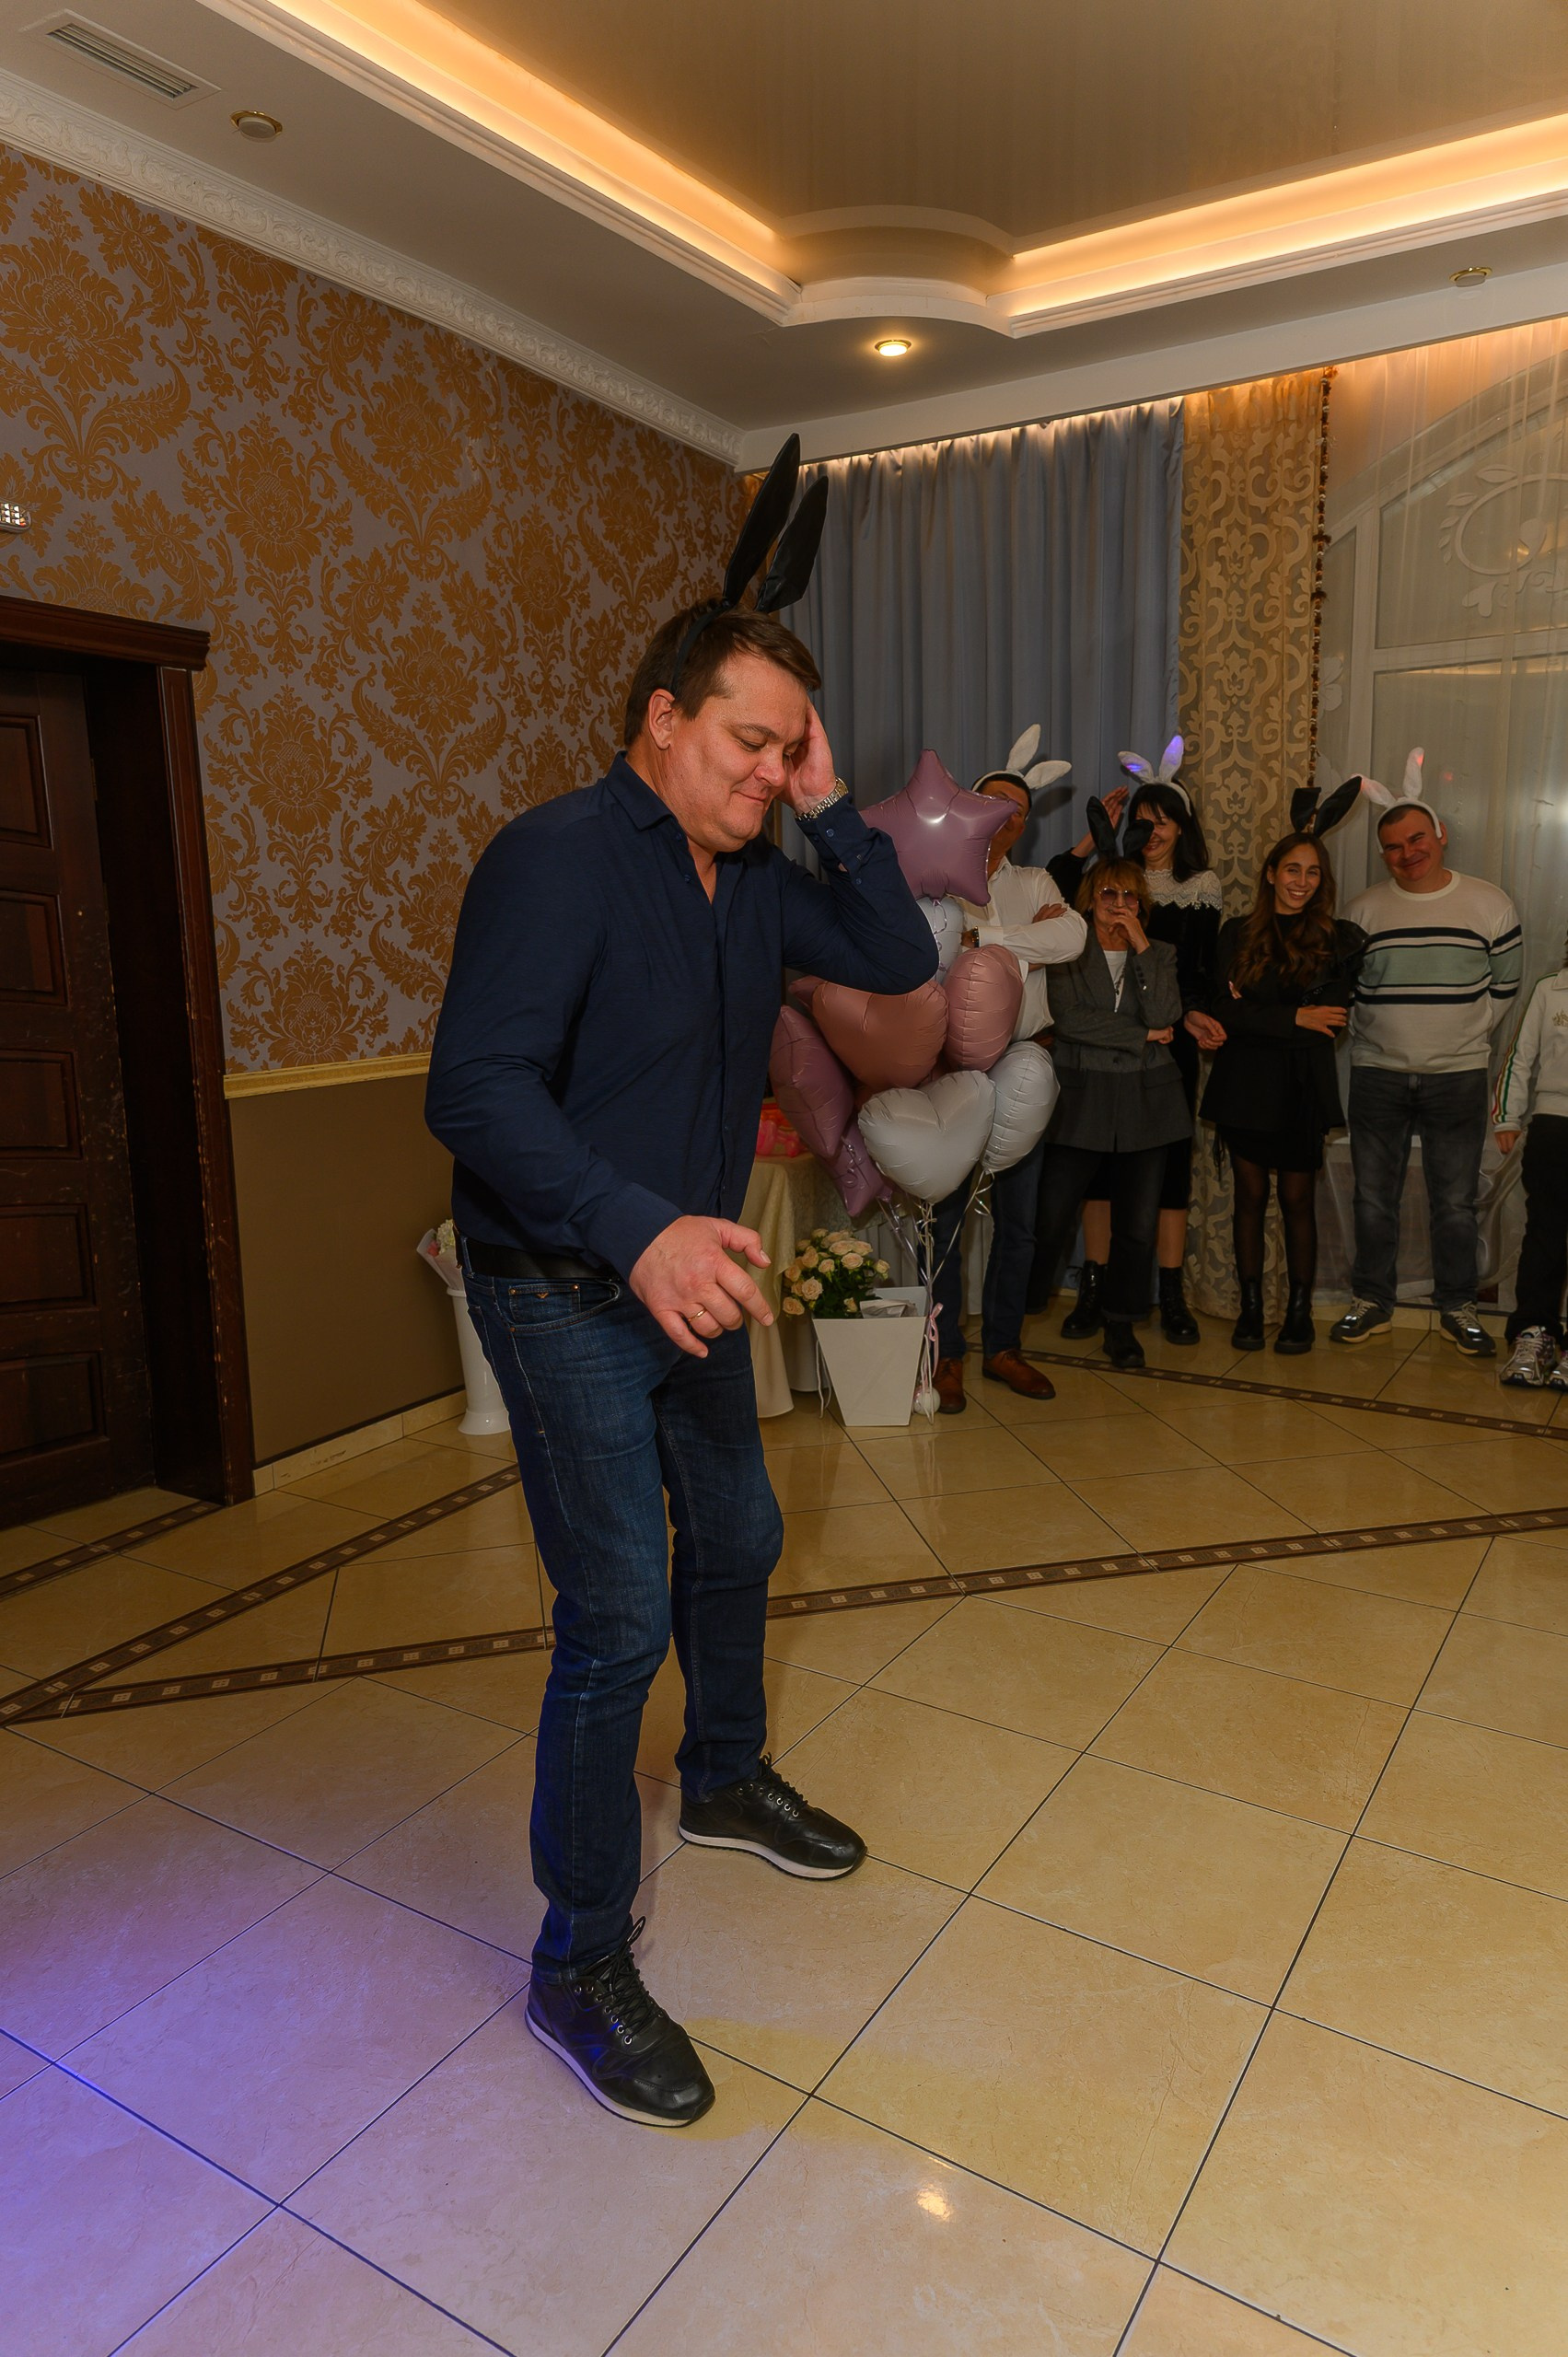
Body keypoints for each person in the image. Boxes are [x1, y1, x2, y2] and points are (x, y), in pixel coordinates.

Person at [426, 452, 937, 2131]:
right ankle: (576, 1961)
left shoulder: (764, 878)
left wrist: (832, 808)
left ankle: (718, 1777)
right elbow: (473, 1091)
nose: (769, 772)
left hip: (684, 1276)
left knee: (739, 1535)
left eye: (789, 749)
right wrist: (636, 1228)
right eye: (748, 742)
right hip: (565, 1284)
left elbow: (900, 964)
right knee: (614, 1620)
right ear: (660, 717)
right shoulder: (555, 858)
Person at [1332, 775, 1522, 1354]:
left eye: (1417, 839)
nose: (1407, 853)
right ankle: (1372, 1301)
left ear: (1440, 835)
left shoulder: (1490, 903)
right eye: (1393, 846)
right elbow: (1347, 994)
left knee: (1455, 1201)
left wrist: (1460, 1035)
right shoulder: (1361, 911)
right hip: (1377, 1074)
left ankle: (1457, 1307)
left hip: (1458, 1076)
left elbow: (1505, 987)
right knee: (1373, 1198)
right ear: (1382, 854)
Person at [927, 758, 1086, 1411]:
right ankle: (946, 1354)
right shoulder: (938, 879)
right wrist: (1025, 943)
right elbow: (935, 955)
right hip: (951, 1065)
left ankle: (1002, 1348)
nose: (1007, 815)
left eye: (1019, 810)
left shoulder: (1035, 880)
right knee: (945, 1219)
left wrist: (985, 937)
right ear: (971, 807)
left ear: (1023, 825)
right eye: (996, 802)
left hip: (1026, 1062)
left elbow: (1071, 935)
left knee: (1019, 1221)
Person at [1045, 750, 1222, 1343]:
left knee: (1161, 1178)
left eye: (1162, 820)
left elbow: (1196, 973)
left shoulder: (1197, 889)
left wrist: (1189, 1013)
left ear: (1182, 827)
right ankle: (1094, 1286)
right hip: (1102, 1053)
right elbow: (1060, 886)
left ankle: (1165, 1294)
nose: (1153, 830)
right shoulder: (1104, 884)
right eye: (1142, 821)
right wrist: (1092, 843)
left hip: (1167, 1045)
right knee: (1095, 1177)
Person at [1201, 827, 1365, 1353]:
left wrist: (1254, 1013)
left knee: (1297, 1199)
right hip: (1245, 1085)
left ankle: (1299, 1312)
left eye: (1313, 872)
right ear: (1271, 873)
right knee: (1248, 1197)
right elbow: (1223, 1009)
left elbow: (1329, 1022)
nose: (1302, 881)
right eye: (1293, 869)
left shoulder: (1339, 939)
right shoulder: (1236, 934)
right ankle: (1250, 1309)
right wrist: (1294, 1015)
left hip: (1302, 1085)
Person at [1031, 847, 1191, 1371]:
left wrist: (1141, 945)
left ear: (1142, 904)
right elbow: (1070, 1020)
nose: (1119, 903)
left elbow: (1167, 1013)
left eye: (1130, 896)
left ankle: (1121, 1324)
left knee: (1138, 1227)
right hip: (1081, 1098)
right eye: (1108, 892)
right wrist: (1142, 1034)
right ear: (1089, 899)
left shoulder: (1159, 952)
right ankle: (1023, 1304)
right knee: (1052, 1214)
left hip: (1148, 1100)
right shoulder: (1069, 948)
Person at [1493, 941, 1568, 1387]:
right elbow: (1520, 1057)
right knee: (1544, 1232)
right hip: (1554, 1125)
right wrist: (1508, 1115)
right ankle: (1536, 1334)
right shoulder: (1550, 989)